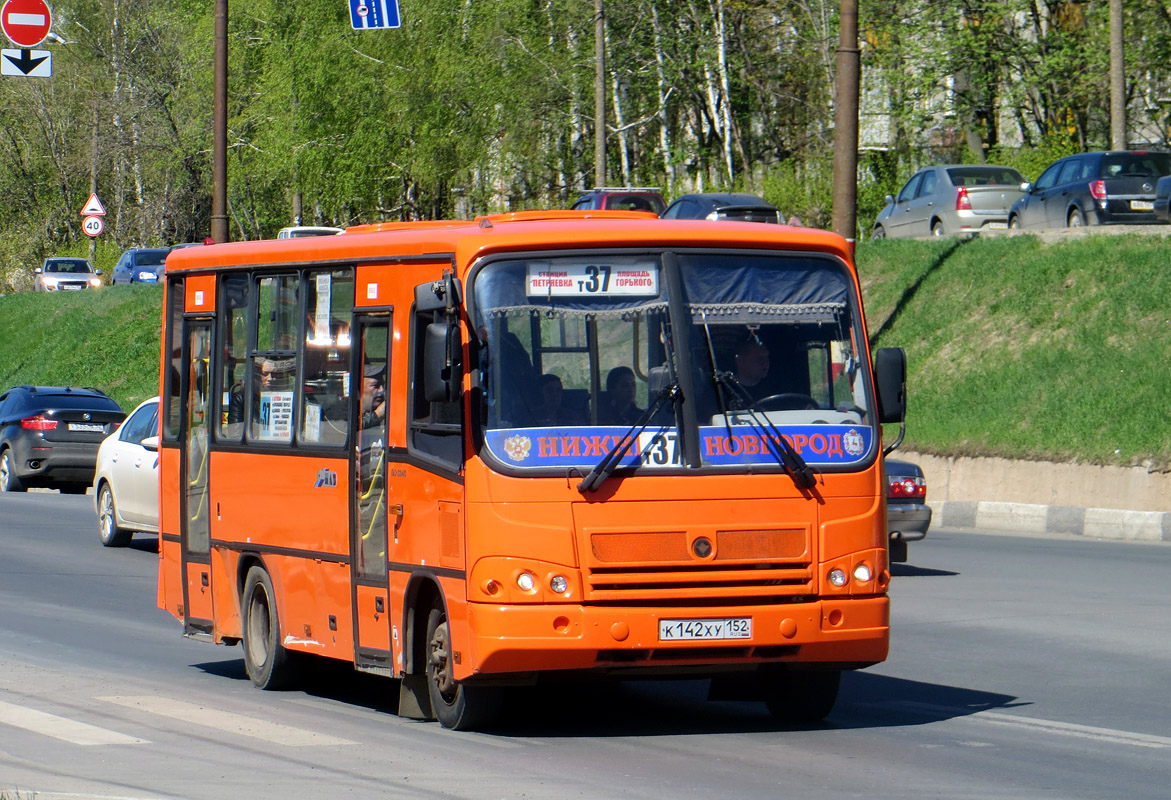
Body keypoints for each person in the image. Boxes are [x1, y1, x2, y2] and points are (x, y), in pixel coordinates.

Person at [360, 362, 387, 429]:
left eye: (383, 385)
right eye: (375, 386)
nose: (382, 390)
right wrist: (377, 416)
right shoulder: (341, 412)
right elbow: (348, 430)